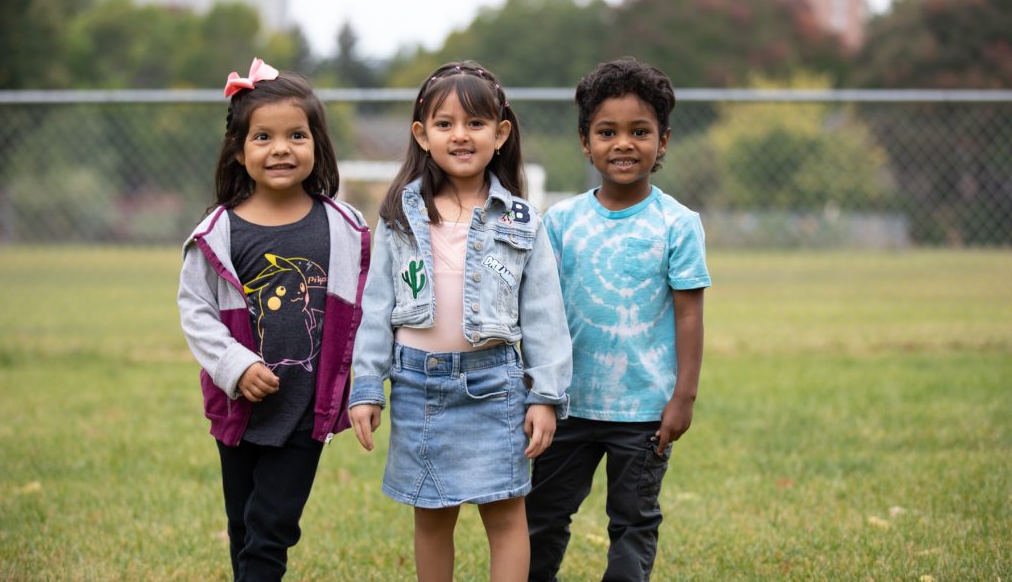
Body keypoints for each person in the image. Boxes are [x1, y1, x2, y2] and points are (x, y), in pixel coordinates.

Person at [348, 61, 573, 582]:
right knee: (431, 516)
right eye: (445, 124)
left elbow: (544, 315)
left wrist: (544, 395)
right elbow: (376, 308)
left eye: (475, 123)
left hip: (495, 386)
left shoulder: (519, 219)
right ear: (422, 136)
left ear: (501, 133)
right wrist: (365, 388)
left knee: (505, 513)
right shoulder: (400, 216)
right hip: (416, 385)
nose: (461, 135)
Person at [177, 58, 370, 581]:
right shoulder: (218, 231)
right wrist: (235, 366)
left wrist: (364, 387)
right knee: (242, 525)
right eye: (263, 136)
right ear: (239, 152)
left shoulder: (345, 229)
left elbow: (365, 313)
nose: (281, 148)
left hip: (305, 409)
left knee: (271, 527)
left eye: (296, 135)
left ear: (317, 145)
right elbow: (196, 311)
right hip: (239, 408)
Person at [526, 57, 712, 582]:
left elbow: (690, 316)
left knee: (632, 522)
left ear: (664, 141)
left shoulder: (677, 224)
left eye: (640, 131)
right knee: (541, 517)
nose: (624, 144)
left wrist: (684, 396)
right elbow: (540, 312)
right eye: (607, 132)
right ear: (585, 142)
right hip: (567, 405)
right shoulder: (560, 222)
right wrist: (537, 387)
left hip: (644, 409)